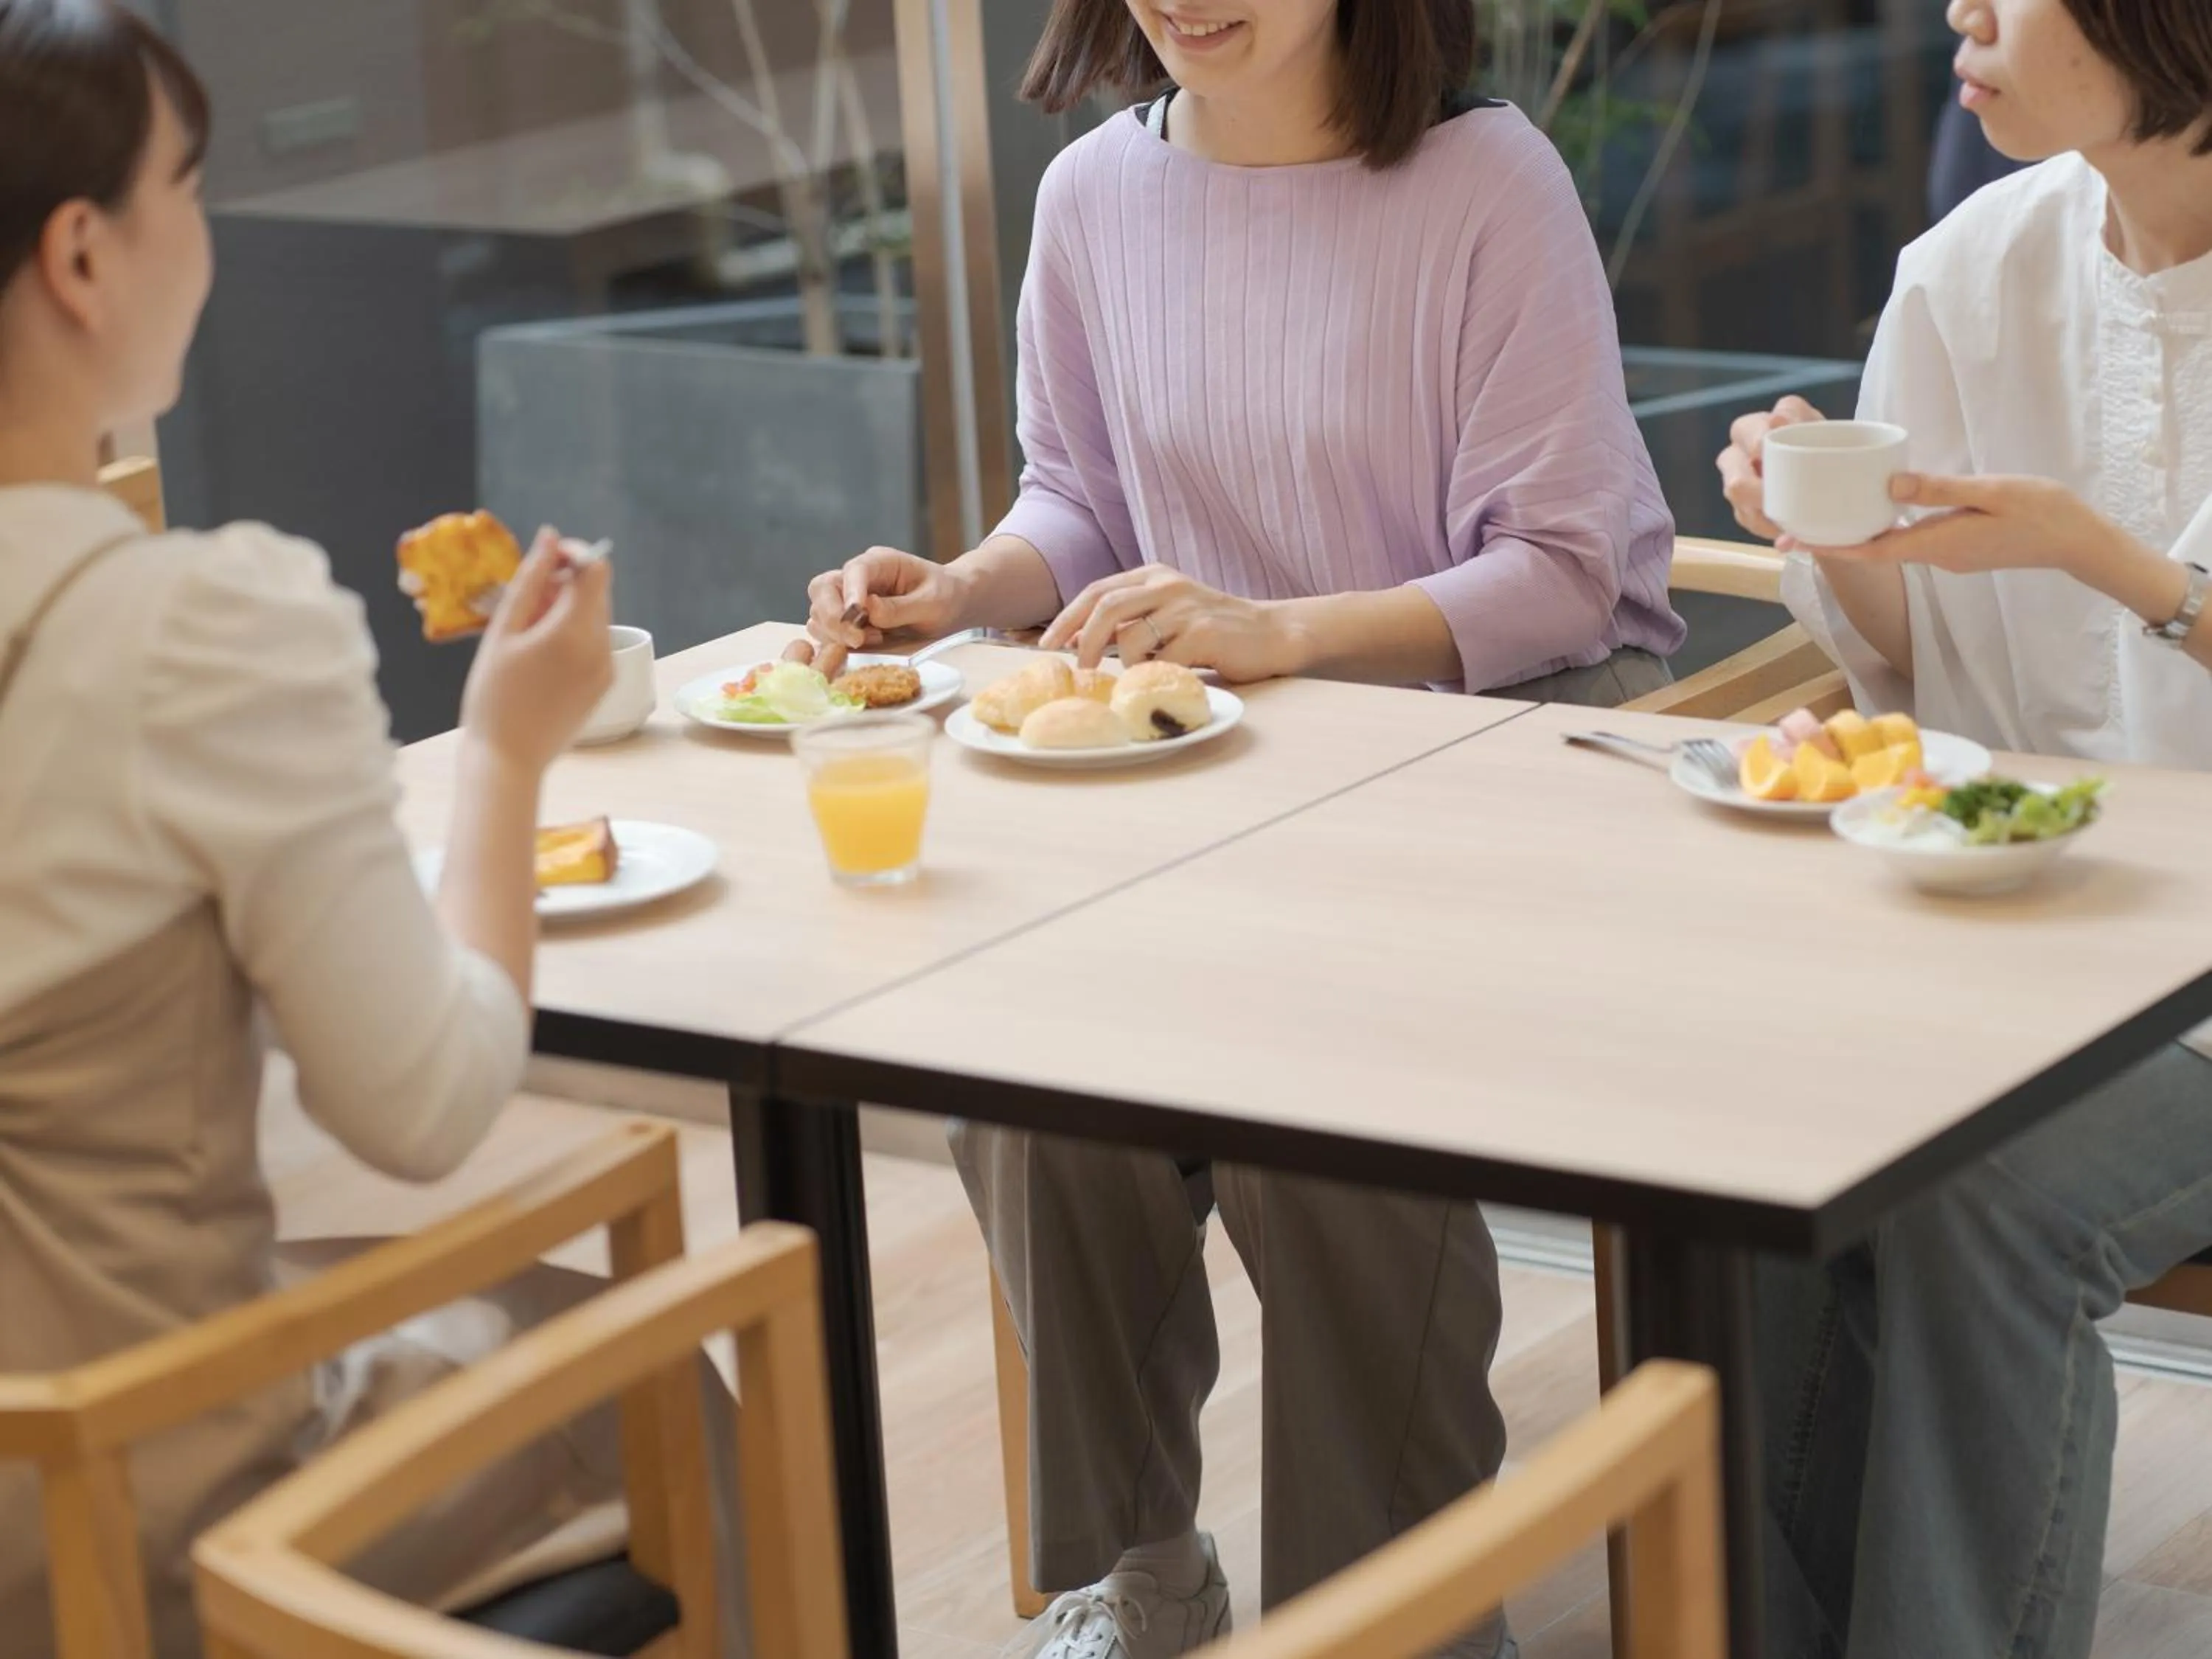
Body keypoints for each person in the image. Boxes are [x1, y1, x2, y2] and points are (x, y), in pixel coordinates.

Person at [800, 3, 1682, 1656]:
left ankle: (1399, 1615)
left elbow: (1563, 565)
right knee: (1023, 1082)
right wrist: (958, 593)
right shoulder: (1091, 196)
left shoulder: (1490, 182)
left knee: (1319, 1113)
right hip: (1208, 781)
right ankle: (1147, 1574)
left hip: (1470, 759)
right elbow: (1074, 498)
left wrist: (1285, 630)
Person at [0, 5, 740, 1655]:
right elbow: (426, 1103)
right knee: (671, 1366)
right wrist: (506, 752)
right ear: (81, 254)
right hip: (129, 1521)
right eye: (183, 186)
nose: (204, 234)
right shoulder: (202, 630)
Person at [1715, 0, 2212, 1654]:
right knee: (1744, 1118)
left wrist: (2108, 557)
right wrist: (1825, 521)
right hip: (2020, 919)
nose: (1961, 14)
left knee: (1982, 1197)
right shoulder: (1972, 266)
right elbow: (1924, 668)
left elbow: (2083, 582)